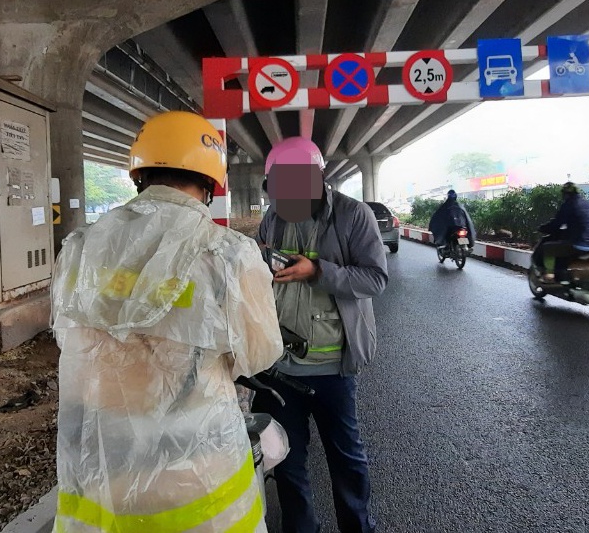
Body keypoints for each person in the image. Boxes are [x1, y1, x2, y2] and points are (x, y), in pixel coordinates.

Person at [50, 111, 284, 533]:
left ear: (140, 172)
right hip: (197, 472)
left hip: (102, 466)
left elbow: (69, 339)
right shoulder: (228, 254)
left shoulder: (78, 248)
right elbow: (260, 354)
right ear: (212, 182)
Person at [253, 136, 388, 533]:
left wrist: (317, 271)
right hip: (280, 368)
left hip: (332, 368)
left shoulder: (352, 215)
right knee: (288, 463)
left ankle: (358, 527)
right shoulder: (273, 217)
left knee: (345, 458)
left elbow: (375, 279)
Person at [532, 182, 589, 282]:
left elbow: (557, 224)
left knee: (547, 247)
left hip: (579, 244)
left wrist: (542, 228)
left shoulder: (569, 204)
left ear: (565, 194)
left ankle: (549, 275)